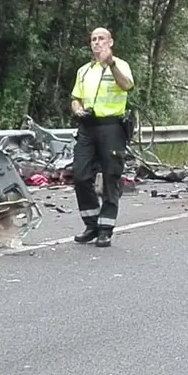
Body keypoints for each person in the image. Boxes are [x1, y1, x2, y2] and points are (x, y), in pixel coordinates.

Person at [70, 27, 133, 247]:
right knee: (80, 175)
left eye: (101, 39)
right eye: (94, 40)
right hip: (87, 127)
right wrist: (77, 110)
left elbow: (126, 85)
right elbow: (75, 98)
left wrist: (111, 64)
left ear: (111, 42)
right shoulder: (84, 70)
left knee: (110, 177)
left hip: (111, 127)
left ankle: (106, 228)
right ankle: (91, 223)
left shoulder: (120, 65)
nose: (97, 43)